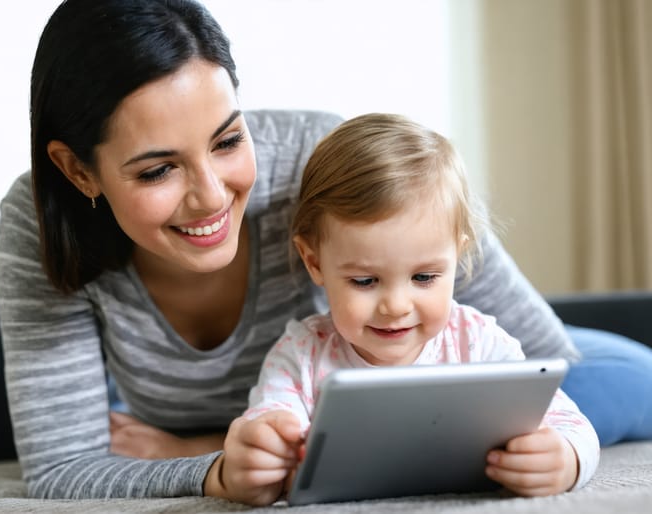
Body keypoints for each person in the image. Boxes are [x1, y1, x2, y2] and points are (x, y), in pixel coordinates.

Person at [0, 0, 652, 501]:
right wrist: (216, 468)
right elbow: (62, 469)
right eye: (156, 171)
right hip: (285, 405)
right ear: (79, 171)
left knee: (645, 381)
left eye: (229, 140)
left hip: (395, 363)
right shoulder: (39, 227)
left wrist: (555, 444)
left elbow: (538, 347)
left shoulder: (316, 163)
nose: (210, 196)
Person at [223, 113, 599, 505]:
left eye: (424, 278)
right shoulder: (302, 355)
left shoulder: (480, 342)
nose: (396, 307)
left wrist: (566, 458)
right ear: (314, 262)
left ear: (460, 254)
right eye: (365, 281)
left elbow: (572, 424)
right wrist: (259, 457)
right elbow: (265, 427)